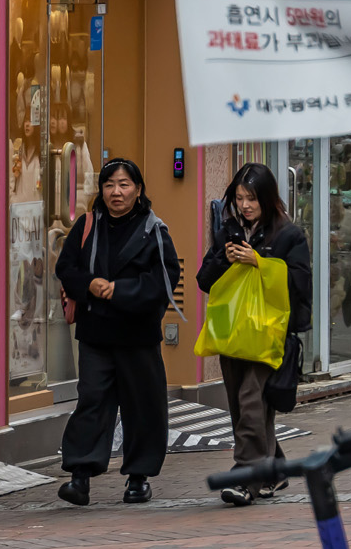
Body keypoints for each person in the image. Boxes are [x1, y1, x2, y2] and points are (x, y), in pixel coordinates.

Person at [54, 157, 182, 506]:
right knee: (92, 402)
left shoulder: (153, 229)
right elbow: (65, 268)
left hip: (138, 335)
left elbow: (166, 278)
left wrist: (121, 291)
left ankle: (138, 478)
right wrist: (90, 285)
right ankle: (80, 476)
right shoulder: (87, 226)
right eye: (110, 185)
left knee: (142, 407)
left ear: (138, 190)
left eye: (124, 185)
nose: (116, 192)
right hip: (96, 334)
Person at [198, 162, 313, 508]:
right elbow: (205, 279)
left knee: (251, 400)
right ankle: (274, 469)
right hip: (234, 333)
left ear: (267, 197)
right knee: (242, 407)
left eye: (251, 198)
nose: (245, 205)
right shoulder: (229, 230)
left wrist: (260, 262)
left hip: (269, 335)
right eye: (239, 197)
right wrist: (225, 258)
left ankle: (245, 477)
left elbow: (299, 287)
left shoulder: (289, 235)